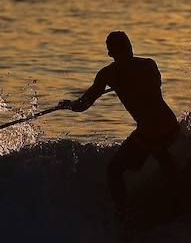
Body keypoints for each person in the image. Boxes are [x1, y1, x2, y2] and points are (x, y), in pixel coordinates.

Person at [59, 31, 179, 211]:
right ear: (130, 47)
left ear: (111, 54)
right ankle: (173, 184)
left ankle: (124, 214)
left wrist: (69, 105)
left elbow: (83, 105)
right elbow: (155, 85)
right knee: (154, 148)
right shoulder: (148, 64)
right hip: (170, 125)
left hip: (152, 132)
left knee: (114, 170)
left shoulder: (109, 74)